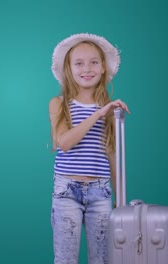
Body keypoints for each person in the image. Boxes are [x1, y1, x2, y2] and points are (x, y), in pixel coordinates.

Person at [49, 33, 130, 264]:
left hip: (101, 192)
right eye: (79, 63)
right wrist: (99, 113)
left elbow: (112, 154)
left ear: (103, 67)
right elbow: (64, 143)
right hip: (67, 192)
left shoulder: (110, 110)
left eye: (94, 62)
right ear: (69, 69)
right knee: (65, 259)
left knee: (103, 259)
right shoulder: (59, 104)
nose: (87, 68)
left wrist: (119, 198)